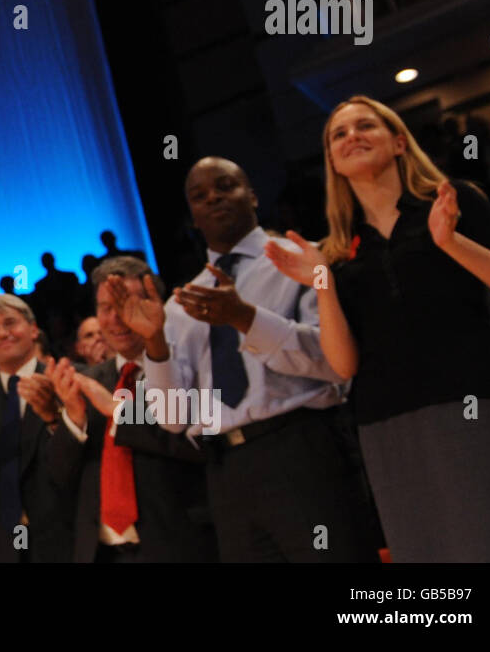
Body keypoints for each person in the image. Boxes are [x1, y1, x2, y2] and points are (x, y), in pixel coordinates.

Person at [266, 95, 490, 562]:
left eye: (366, 126)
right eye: (338, 135)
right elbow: (344, 365)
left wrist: (452, 243)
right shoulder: (337, 251)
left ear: (399, 141)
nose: (351, 137)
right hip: (390, 428)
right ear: (332, 163)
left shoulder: (454, 200)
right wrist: (322, 281)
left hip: (477, 402)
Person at [143, 156, 378, 562]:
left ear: (252, 195)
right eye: (199, 196)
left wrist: (244, 318)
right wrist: (154, 343)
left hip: (302, 448)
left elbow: (335, 364)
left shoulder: (304, 261)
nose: (213, 198)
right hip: (225, 470)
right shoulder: (182, 304)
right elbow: (172, 419)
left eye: (224, 186)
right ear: (193, 218)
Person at [46, 258, 217, 563]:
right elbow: (58, 476)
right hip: (100, 551)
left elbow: (203, 446)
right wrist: (73, 420)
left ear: (157, 306)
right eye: (106, 307)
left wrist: (121, 411)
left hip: (179, 544)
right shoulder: (90, 381)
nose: (117, 318)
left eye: (128, 304)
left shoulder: (187, 368)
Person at [0, 295, 80, 563]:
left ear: (34, 329)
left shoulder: (70, 383)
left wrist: (57, 415)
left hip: (69, 542)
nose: (2, 333)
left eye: (10, 322)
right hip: (3, 548)